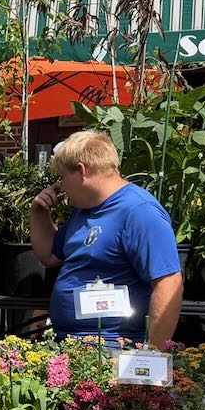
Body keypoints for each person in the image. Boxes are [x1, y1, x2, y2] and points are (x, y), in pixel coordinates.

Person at [30, 129, 182, 347]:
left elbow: (169, 283)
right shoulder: (85, 209)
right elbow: (49, 255)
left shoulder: (140, 211)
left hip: (112, 346)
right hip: (72, 343)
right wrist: (39, 211)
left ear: (81, 171)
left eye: (62, 177)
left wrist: (154, 354)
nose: (60, 186)